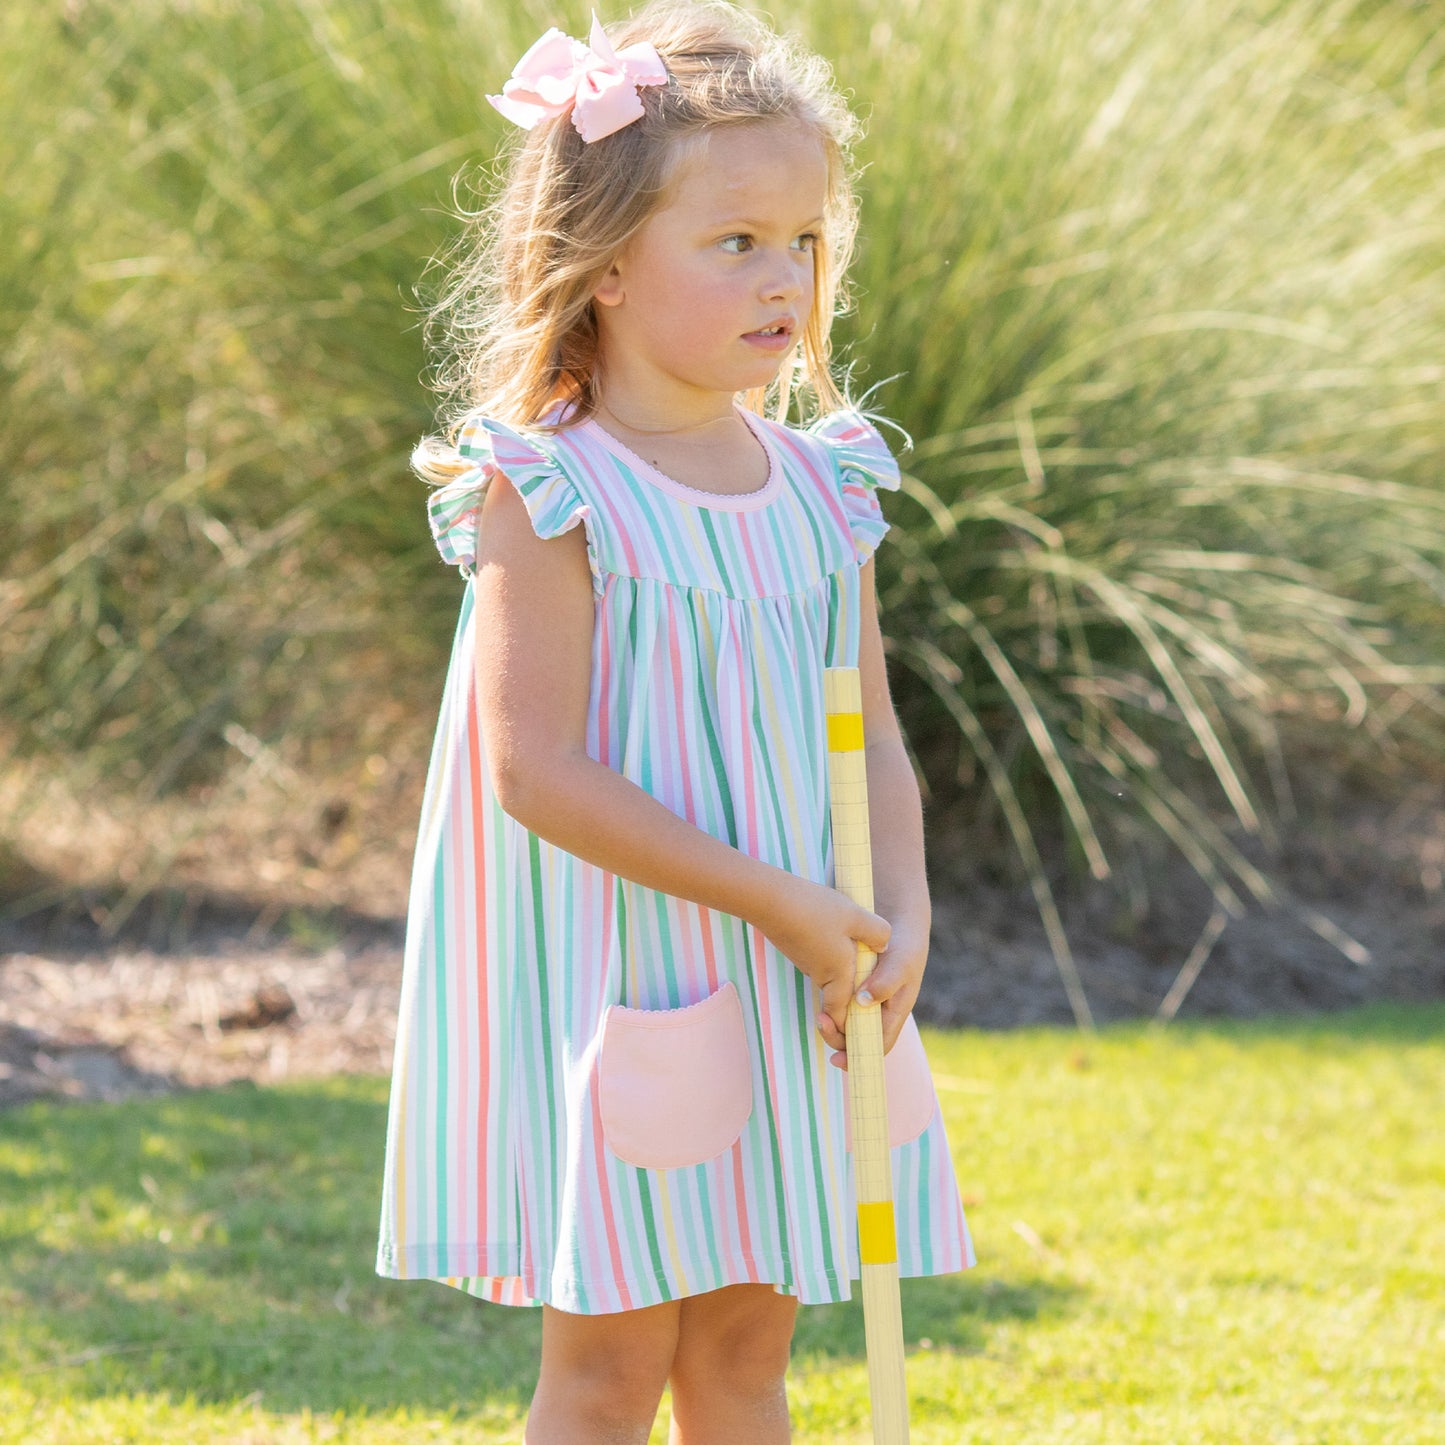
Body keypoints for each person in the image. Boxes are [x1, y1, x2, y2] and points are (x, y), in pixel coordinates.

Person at [376, 4, 974, 1440]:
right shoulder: (551, 489)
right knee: (605, 1373)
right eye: (736, 241)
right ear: (608, 268)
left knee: (743, 1367)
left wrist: (899, 906)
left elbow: (871, 732)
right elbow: (538, 771)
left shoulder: (823, 487)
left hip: (802, 984)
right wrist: (775, 898)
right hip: (639, 981)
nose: (785, 278)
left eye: (804, 242)